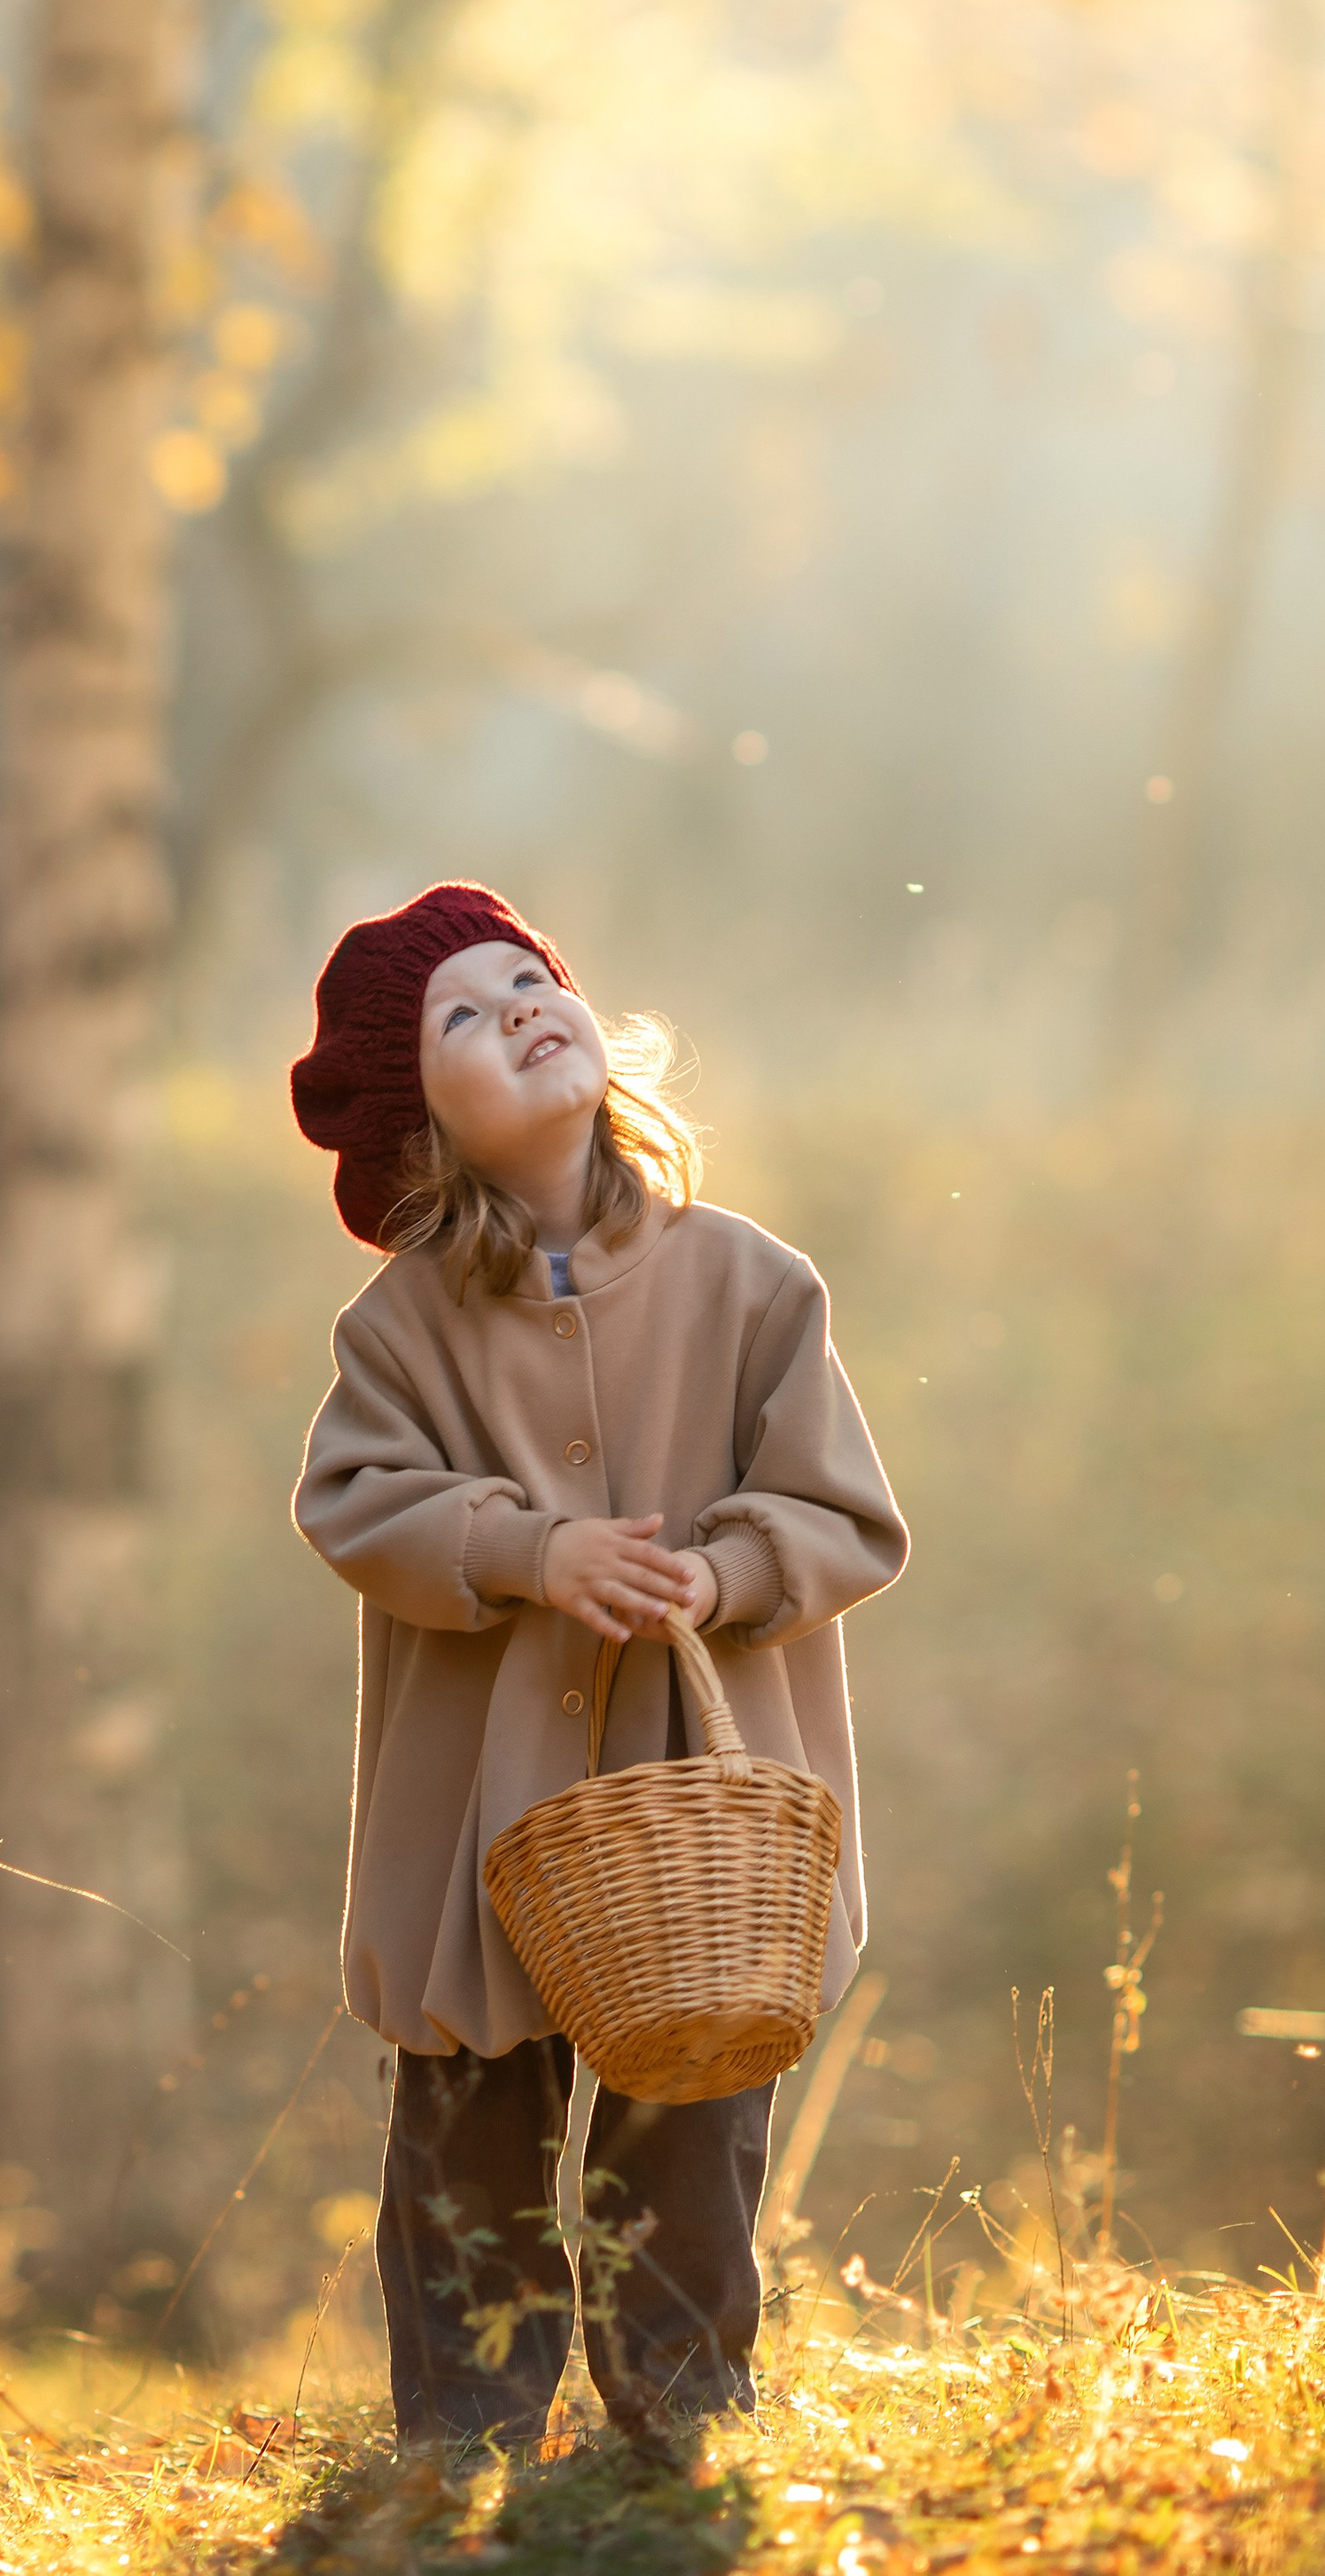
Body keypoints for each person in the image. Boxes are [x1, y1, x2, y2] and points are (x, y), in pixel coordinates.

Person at [289, 880, 908, 2455]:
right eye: (465, 1020)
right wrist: (523, 1550)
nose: (517, 1011)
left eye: (526, 981)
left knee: (690, 2117)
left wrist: (728, 1567)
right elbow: (354, 1503)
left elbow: (846, 1512)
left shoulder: (753, 1283)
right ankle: (465, 2430)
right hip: (480, 1815)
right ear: (418, 1123)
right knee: (465, 2135)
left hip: (698, 1816)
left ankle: (683, 2421)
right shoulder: (401, 1327)